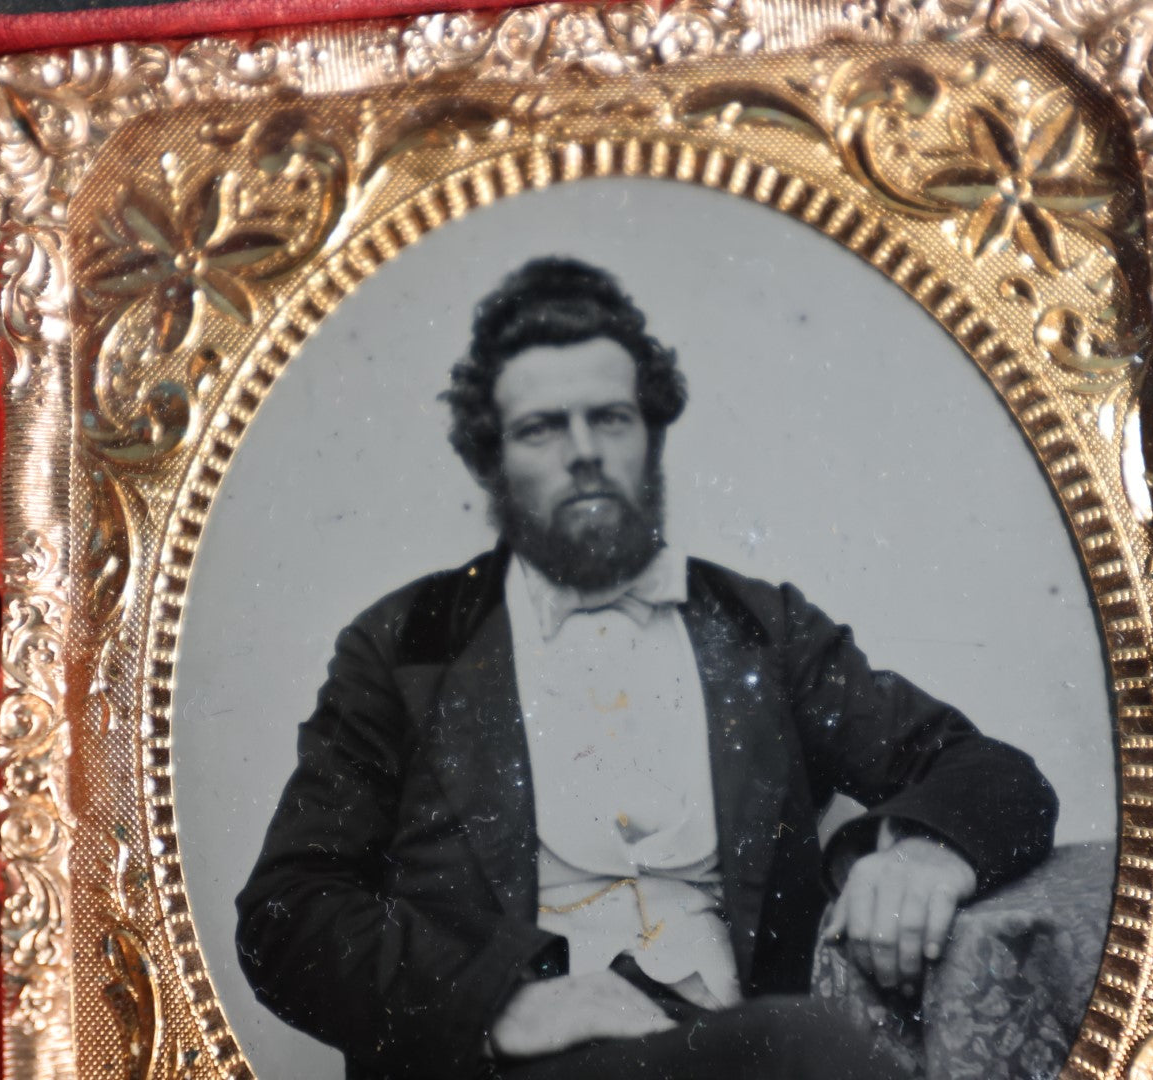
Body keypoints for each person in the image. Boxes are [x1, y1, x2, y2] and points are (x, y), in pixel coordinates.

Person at [236, 258, 1057, 1079]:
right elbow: (287, 916)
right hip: (517, 1069)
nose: (584, 453)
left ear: (651, 435)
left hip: (733, 1045)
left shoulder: (759, 630)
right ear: (492, 461)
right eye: (541, 428)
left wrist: (920, 850)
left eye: (612, 418)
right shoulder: (407, 645)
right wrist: (504, 1001)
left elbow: (988, 771)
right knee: (810, 1050)